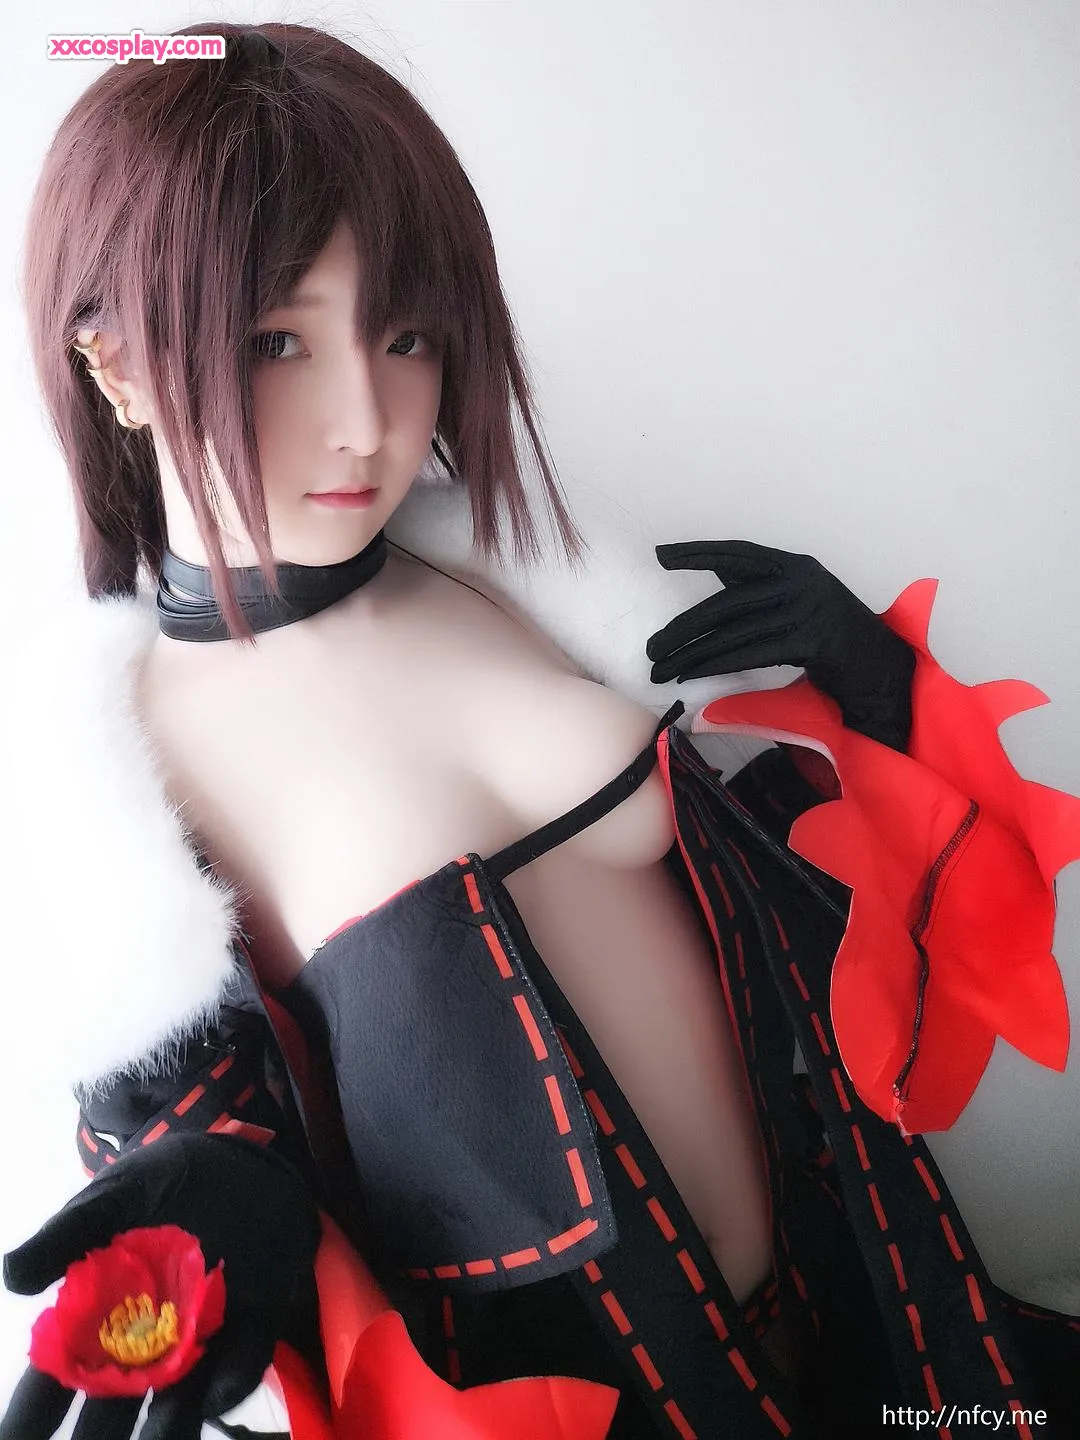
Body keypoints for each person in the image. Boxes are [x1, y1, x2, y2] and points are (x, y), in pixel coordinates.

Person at [4, 20, 1080, 1439]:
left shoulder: (523, 584)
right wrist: (229, 1197)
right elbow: (192, 1127)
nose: (367, 420)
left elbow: (822, 928)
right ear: (117, 367)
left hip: (883, 1317)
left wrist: (874, 693)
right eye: (275, 340)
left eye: (406, 334)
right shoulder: (121, 802)